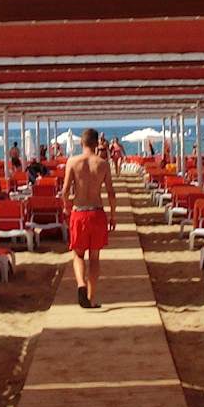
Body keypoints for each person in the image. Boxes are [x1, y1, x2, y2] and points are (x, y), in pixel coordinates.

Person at [58, 127, 117, 309]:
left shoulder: (72, 162)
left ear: (81, 142)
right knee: (95, 257)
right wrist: (113, 215)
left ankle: (81, 285)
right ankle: (90, 298)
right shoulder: (103, 164)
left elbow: (65, 191)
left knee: (78, 254)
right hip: (97, 212)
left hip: (79, 212)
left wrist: (66, 207)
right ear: (97, 143)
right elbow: (111, 193)